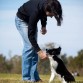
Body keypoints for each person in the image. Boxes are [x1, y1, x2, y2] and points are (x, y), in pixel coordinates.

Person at [15, 0, 63, 82]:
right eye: (51, 15)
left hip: (31, 21)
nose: (51, 17)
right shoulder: (35, 12)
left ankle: (34, 78)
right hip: (22, 21)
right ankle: (26, 79)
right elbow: (30, 36)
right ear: (48, 10)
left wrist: (43, 26)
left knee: (34, 49)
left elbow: (43, 14)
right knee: (29, 46)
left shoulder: (46, 5)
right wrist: (39, 51)